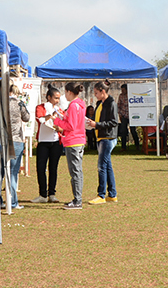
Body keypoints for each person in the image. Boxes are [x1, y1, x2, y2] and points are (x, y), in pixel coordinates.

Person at [53, 82, 87, 210]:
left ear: (69, 92)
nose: (64, 95)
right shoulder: (80, 104)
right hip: (78, 140)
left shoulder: (73, 105)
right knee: (77, 171)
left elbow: (71, 126)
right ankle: (77, 199)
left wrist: (57, 121)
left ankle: (77, 200)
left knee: (75, 172)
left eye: (65, 92)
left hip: (73, 141)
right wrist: (63, 117)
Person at [87, 79, 119, 204]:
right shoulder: (100, 103)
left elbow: (114, 122)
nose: (95, 95)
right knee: (107, 166)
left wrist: (97, 124)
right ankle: (112, 194)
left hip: (108, 138)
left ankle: (101, 195)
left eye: (96, 93)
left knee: (101, 167)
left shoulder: (111, 103)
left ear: (102, 91)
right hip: (101, 137)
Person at [32, 86, 64, 204]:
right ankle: (42, 194)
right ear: (49, 97)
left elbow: (64, 124)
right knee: (41, 168)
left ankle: (52, 194)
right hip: (43, 142)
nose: (57, 101)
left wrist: (60, 127)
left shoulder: (59, 109)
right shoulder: (41, 107)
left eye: (59, 98)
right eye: (55, 98)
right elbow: (40, 119)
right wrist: (50, 116)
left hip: (56, 142)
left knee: (53, 168)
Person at [7, 84, 30, 209]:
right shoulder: (19, 104)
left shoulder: (2, 103)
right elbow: (26, 118)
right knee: (13, 172)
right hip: (16, 139)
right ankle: (13, 201)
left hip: (4, 139)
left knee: (1, 171)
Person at [117, 84, 139, 150]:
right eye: (122, 90)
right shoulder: (121, 96)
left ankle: (137, 145)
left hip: (131, 115)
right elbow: (118, 106)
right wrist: (120, 114)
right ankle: (123, 147)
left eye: (123, 90)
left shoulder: (131, 95)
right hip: (124, 115)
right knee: (123, 131)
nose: (122, 91)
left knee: (133, 130)